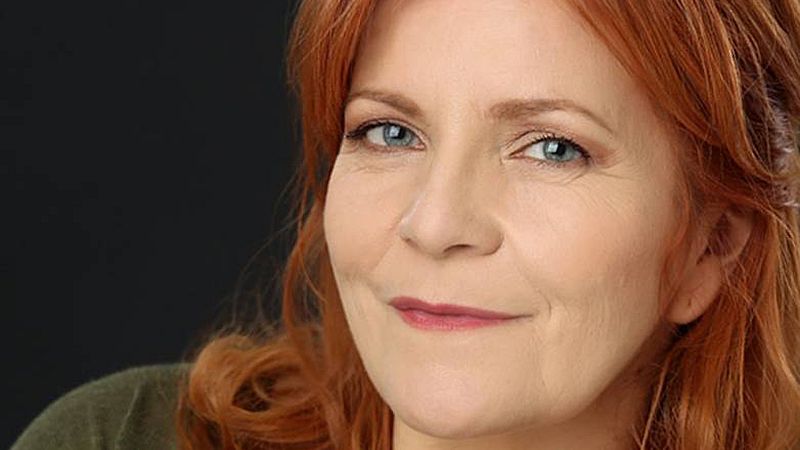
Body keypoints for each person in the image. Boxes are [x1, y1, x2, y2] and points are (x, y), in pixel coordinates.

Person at [13, 0, 800, 449]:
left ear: (711, 247)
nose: (435, 223)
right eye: (390, 132)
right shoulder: (125, 437)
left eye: (552, 148)